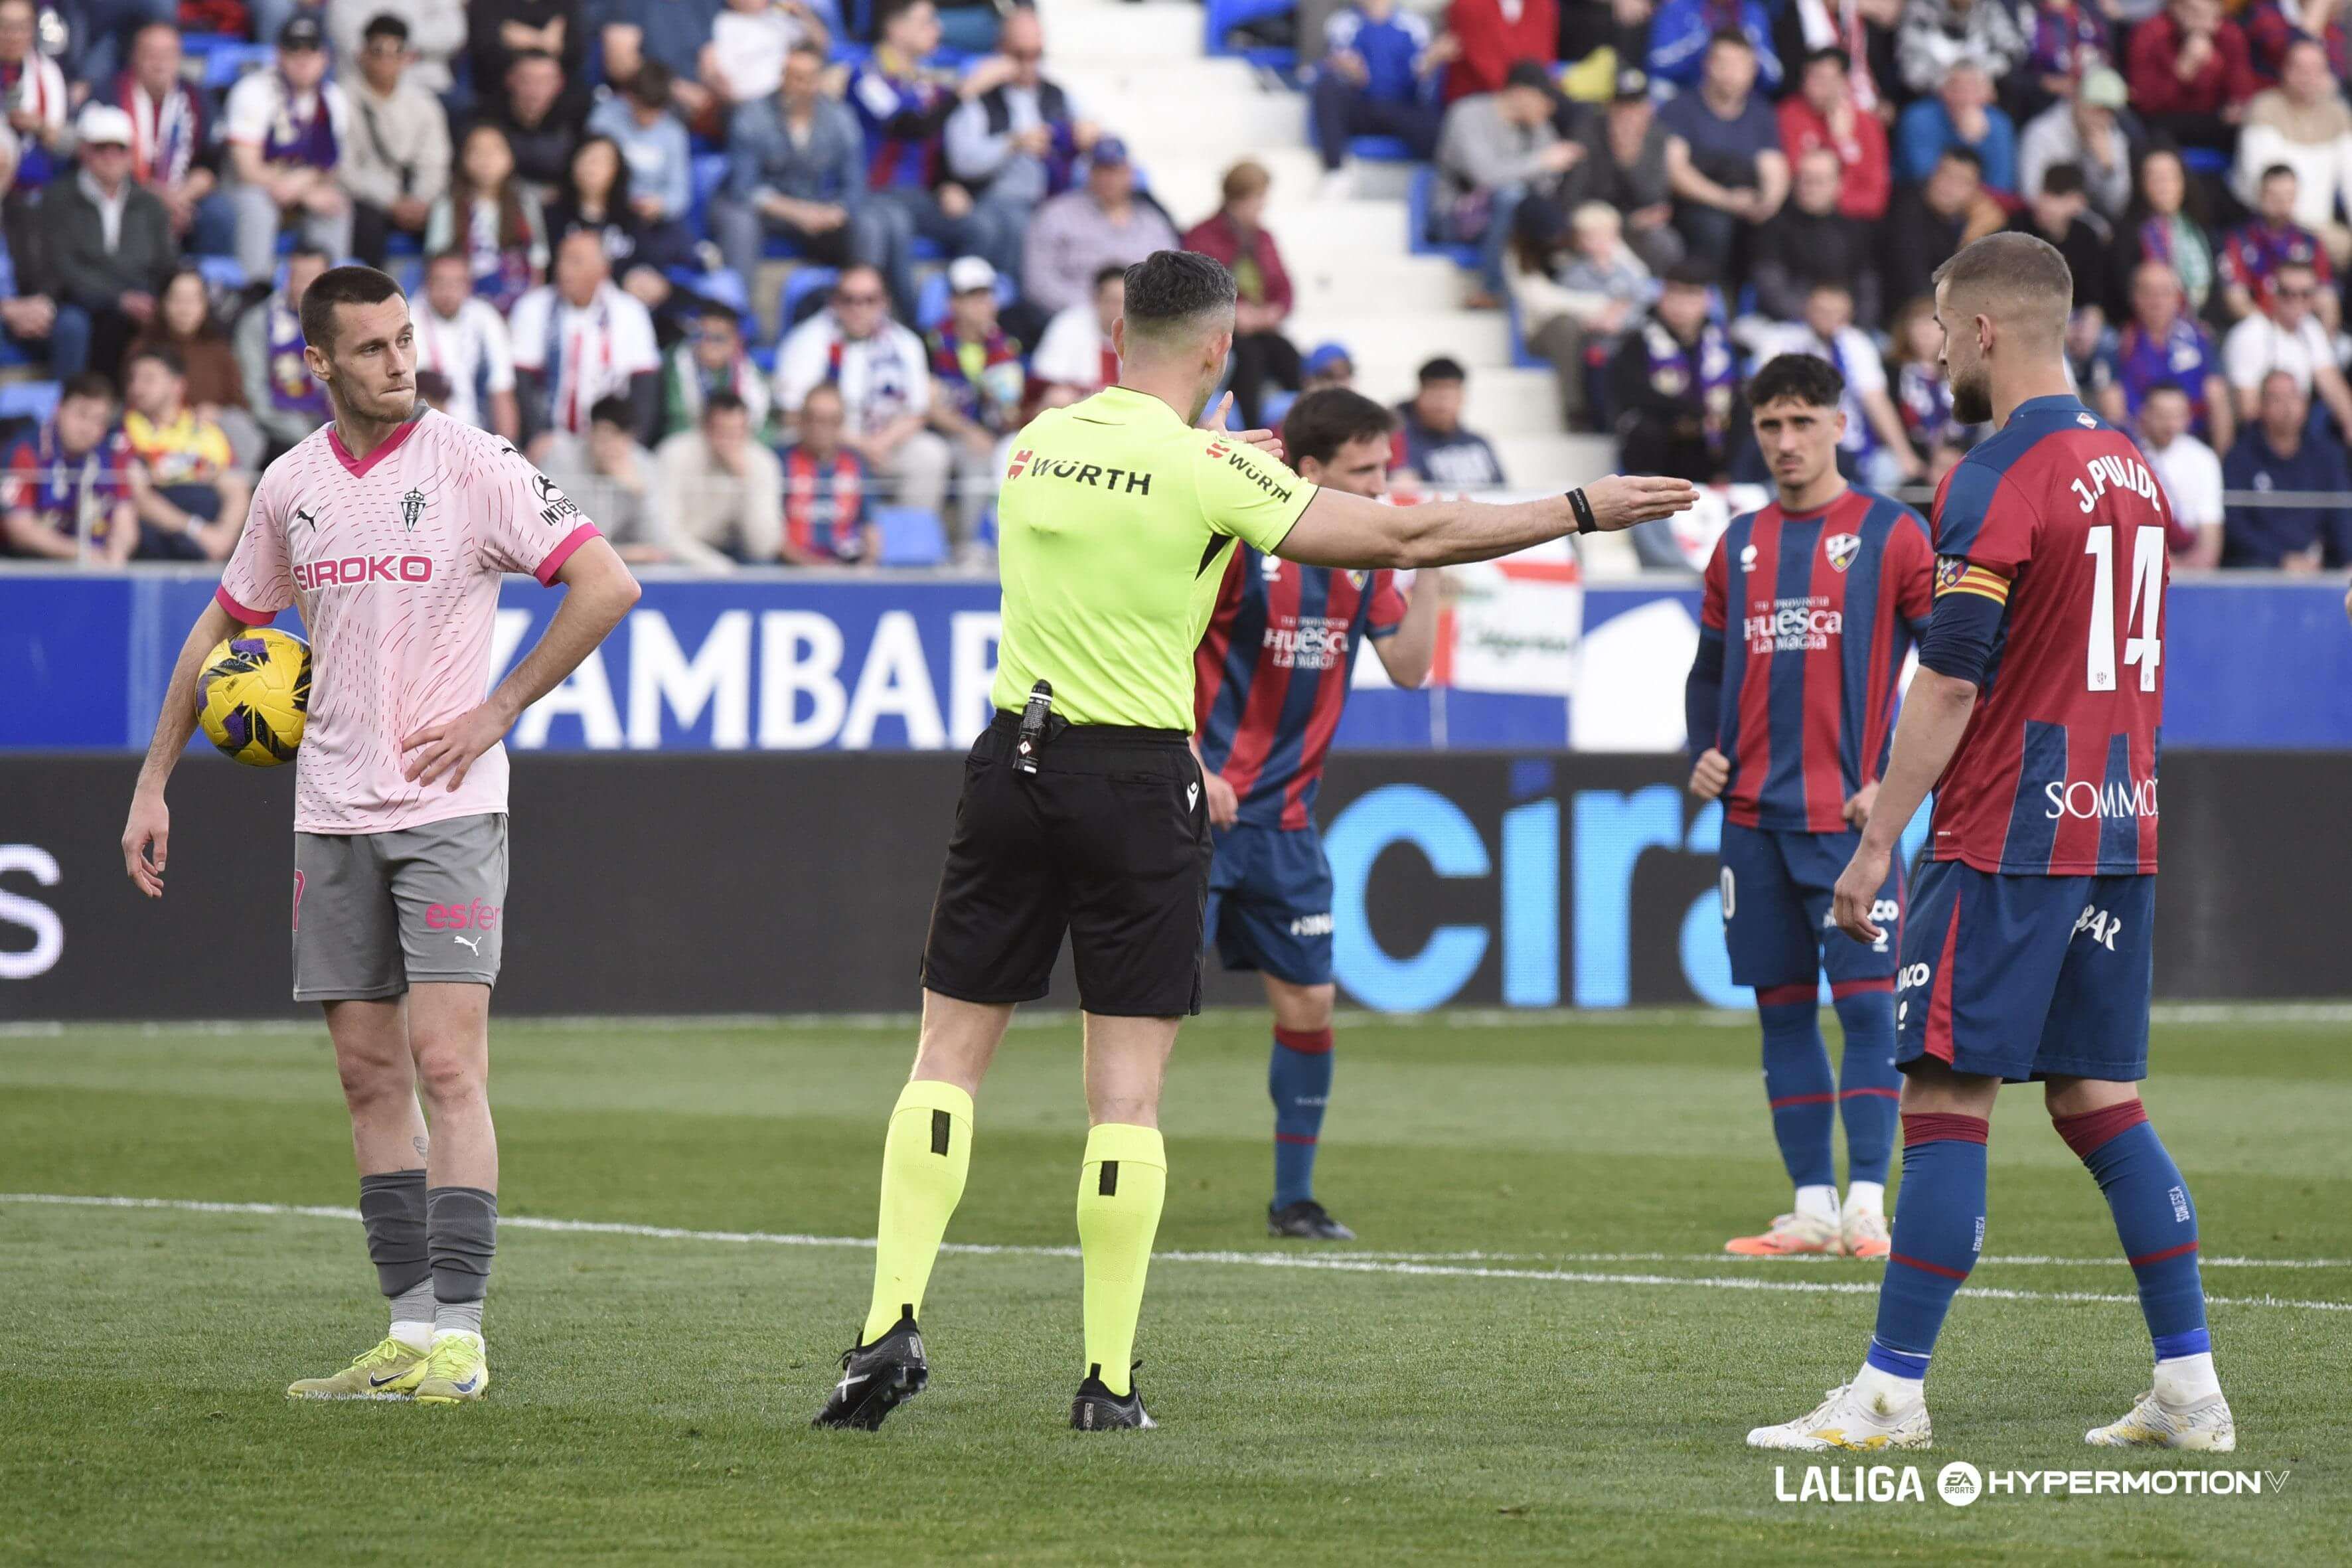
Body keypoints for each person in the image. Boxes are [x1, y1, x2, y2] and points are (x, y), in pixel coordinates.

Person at [807, 246, 1693, 1434]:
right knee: (1124, 1096)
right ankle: (1105, 1381)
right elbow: (1403, 539)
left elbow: (1149, 489)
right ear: (1221, 350)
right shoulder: (1210, 470)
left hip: (1010, 765)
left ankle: (884, 1328)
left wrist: (1218, 455)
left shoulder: (1032, 446)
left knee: (944, 1059)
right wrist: (1576, 507)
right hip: (1134, 776)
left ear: (1118, 334)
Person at [1747, 230, 2233, 1457]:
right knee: (2095, 1098)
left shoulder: (1995, 472)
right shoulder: (2133, 467)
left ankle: (1890, 1392)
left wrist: (1874, 842)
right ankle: (2188, 1384)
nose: (1929, 348)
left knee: (1945, 1093)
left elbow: (1950, 681)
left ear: (1980, 332)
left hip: (2007, 828)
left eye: (1935, 326)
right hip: (2117, 821)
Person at [121, 262, 639, 1409]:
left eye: (405, 339)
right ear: (317, 363)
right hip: (329, 813)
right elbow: (227, 623)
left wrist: (499, 709)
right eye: (371, 348)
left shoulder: (475, 464)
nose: (399, 361)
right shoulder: (291, 485)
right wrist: (156, 780)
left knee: (447, 1063)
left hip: (449, 809)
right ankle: (405, 1330)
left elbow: (606, 585)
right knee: (367, 1079)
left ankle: (462, 1334)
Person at [1686, 351, 1933, 1261]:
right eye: (1767, 426)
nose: (1784, 442)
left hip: (1847, 827)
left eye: (1800, 422)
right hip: (1750, 825)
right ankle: (1810, 1207)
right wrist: (1699, 753)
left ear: (1838, 423)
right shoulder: (1737, 542)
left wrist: (1895, 783)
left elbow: (1952, 674)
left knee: (1868, 1011)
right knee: (1780, 1010)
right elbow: (1707, 671)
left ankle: (1868, 1204)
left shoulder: (1891, 533)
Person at [1194, 388, 1441, 1241]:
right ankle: (1120, 1177)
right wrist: (1191, 760)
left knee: (1310, 1005)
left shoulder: (1362, 561)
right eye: (1363, 473)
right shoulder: (1232, 546)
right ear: (1306, 472)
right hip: (1193, 813)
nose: (1382, 489)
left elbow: (1410, 669)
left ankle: (1293, 1198)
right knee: (1142, 1008)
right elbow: (1148, 647)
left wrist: (1435, 566)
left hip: (1288, 826)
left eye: (1385, 470)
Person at [773, 263, 965, 551]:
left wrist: (879, 444)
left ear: (884, 302)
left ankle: (907, 550)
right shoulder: (807, 340)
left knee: (930, 454)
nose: (858, 308)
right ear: (835, 302)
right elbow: (792, 414)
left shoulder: (905, 343)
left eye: (869, 300)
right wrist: (859, 446)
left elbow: (917, 411)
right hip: (825, 447)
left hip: (885, 445)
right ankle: (810, 547)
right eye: (849, 300)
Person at [850, 0, 1024, 317]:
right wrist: (967, 88)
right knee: (896, 226)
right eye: (926, 22)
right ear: (895, 28)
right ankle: (912, 323)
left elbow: (938, 146)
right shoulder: (867, 76)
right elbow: (911, 127)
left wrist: (947, 185)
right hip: (877, 195)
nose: (938, 29)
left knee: (984, 227)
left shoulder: (924, 82)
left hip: (920, 196)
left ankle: (955, 314)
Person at [713, 44, 878, 288]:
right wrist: (797, 212)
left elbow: (855, 182)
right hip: (767, 210)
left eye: (809, 78)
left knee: (870, 223)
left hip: (818, 206)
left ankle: (863, 304)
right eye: (794, 77)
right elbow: (743, 187)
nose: (801, 87)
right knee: (740, 222)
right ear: (782, 77)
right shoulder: (752, 116)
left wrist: (837, 211)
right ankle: (738, 313)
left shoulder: (840, 117)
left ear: (820, 80)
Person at [944, 6, 1095, 258]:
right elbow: (962, 162)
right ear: (1000, 50)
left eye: (1036, 55)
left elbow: (1087, 139)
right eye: (1019, 55)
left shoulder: (1058, 95)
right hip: (996, 199)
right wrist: (1011, 144)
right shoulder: (980, 96)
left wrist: (1088, 138)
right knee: (1023, 227)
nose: (1029, 64)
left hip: (1055, 197)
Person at [47, 104, 179, 385]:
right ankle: (69, 408)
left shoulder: (150, 204)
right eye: (101, 148)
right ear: (84, 152)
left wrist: (155, 298)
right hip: (81, 301)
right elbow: (62, 267)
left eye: (119, 148)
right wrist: (118, 298)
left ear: (130, 155)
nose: (110, 156)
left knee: (174, 314)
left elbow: (165, 262)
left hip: (141, 298)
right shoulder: (58, 200)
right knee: (73, 325)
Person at [223, 13, 353, 283]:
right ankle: (254, 290)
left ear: (325, 57)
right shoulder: (252, 91)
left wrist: (301, 187)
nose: (303, 59)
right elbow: (247, 170)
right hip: (249, 188)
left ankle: (333, 294)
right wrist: (301, 189)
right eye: (294, 50)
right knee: (257, 207)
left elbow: (331, 167)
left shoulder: (333, 99)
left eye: (312, 50)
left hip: (298, 187)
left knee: (334, 204)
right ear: (279, 55)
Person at [1436, 60, 1576, 304]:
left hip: (1507, 217)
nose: (1549, 108)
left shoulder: (1537, 127)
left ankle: (1565, 279)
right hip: (1456, 212)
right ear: (1520, 93)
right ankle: (1492, 289)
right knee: (1510, 195)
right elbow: (1485, 176)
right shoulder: (1468, 113)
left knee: (1548, 206)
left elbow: (1547, 183)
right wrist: (1541, 162)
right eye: (1543, 98)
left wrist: (1551, 165)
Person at [1757, 282, 1924, 487]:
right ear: (1807, 310)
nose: (1828, 318)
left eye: (1836, 313)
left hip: (1855, 446)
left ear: (1848, 315)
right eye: (1822, 311)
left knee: (1889, 468)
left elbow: (1876, 400)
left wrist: (1904, 454)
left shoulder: (1857, 342)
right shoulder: (1780, 340)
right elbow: (1767, 401)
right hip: (1800, 443)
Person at [509, 228, 663, 447]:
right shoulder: (533, 306)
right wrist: (535, 437)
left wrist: (632, 444)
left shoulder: (630, 311)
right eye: (562, 259)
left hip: (609, 441)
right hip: (551, 440)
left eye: (575, 261)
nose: (563, 269)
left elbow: (645, 389)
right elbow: (522, 386)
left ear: (603, 270)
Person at [1510, 197, 1654, 430]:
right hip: (1560, 330)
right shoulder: (1525, 256)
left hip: (1615, 331)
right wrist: (1604, 307)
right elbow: (1541, 302)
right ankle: (1575, 408)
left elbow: (1642, 284)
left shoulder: (1608, 251)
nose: (1556, 239)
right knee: (1569, 330)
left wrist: (1621, 314)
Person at [1660, 29, 1788, 287]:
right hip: (1698, 201)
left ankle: (1766, 306)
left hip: (1745, 197)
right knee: (1713, 227)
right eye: (1724, 63)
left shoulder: (1761, 113)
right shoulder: (1680, 107)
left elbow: (1774, 167)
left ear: (1753, 70)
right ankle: (1713, 300)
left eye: (1740, 65)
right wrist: (1727, 201)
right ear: (1708, 65)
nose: (1731, 73)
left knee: (1778, 225)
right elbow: (1676, 172)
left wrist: (1768, 203)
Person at [1182, 161, 1301, 431]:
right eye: (1259, 199)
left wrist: (1274, 311)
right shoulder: (1202, 236)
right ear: (1239, 199)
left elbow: (1285, 287)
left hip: (1261, 327)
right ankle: (1251, 430)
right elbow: (1200, 289)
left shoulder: (1264, 238)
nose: (1263, 206)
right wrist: (1235, 316)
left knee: (1288, 354)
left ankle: (1300, 429)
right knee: (1250, 359)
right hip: (1222, 331)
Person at [1610, 261, 1742, 483]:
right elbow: (1632, 393)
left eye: (1690, 295)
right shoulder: (1637, 342)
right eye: (1674, 295)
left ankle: (1733, 483)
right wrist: (1688, 412)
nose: (1681, 305)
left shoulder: (1727, 346)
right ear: (1661, 297)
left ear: (1707, 301)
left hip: (1710, 443)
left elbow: (1735, 393)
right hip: (1663, 440)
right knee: (1646, 430)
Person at [341, 14, 451, 269]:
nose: (387, 60)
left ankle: (441, 294)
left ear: (407, 57)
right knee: (364, 219)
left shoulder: (424, 104)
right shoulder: (341, 101)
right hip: (367, 199)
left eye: (396, 51)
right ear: (362, 54)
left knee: (447, 214)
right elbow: (344, 169)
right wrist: (391, 202)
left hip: (414, 198)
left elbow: (435, 162)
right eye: (378, 51)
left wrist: (422, 200)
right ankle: (370, 298)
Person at [1022, 137, 1178, 318]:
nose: (1108, 179)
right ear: (1089, 173)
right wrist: (1099, 308)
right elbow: (1038, 283)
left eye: (1114, 171)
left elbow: (1172, 279)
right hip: (1074, 316)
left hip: (1142, 320)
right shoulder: (1057, 215)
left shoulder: (1153, 222)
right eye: (1101, 171)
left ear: (1130, 174)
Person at [120, 345, 249, 560]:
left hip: (212, 542)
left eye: (148, 379)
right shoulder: (123, 432)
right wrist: (197, 530)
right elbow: (138, 498)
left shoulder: (206, 432)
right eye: (133, 379)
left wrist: (224, 536)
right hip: (160, 538)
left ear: (177, 385)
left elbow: (236, 489)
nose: (137, 387)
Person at [113, 22, 230, 257]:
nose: (159, 63)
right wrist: (158, 197)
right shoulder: (111, 94)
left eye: (168, 54)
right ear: (135, 57)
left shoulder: (198, 98)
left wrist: (181, 196)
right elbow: (101, 160)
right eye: (151, 55)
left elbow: (212, 163)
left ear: (179, 58)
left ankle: (209, 286)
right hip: (126, 192)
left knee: (219, 213)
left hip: (184, 194)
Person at [127, 266, 264, 469]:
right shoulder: (143, 348)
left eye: (193, 300)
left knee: (240, 427)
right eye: (177, 300)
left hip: (209, 442)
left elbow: (241, 405)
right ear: (163, 303)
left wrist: (218, 413)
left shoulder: (219, 350)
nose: (185, 308)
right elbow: (132, 402)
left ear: (204, 305)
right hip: (155, 440)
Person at [2233, 39, 2352, 270]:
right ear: (2285, 70)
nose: (2308, 77)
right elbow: (2265, 188)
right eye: (2300, 69)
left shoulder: (2338, 115)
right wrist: (2313, 234)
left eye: (2316, 70)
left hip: (2324, 227)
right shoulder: (2265, 109)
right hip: (2269, 225)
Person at [1308, 0, 1451, 186]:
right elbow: (1340, 63)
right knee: (1327, 86)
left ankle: (1445, 182)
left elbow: (1420, 79)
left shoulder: (1415, 24)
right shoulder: (1342, 22)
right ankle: (1335, 170)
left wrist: (1430, 63)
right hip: (1360, 107)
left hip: (1401, 107)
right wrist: (1348, 71)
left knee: (1439, 122)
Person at [0, 373, 138, 563]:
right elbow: (20, 530)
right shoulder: (26, 451)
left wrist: (118, 551)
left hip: (95, 561)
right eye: (81, 415)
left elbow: (125, 521)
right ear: (59, 409)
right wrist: (83, 554)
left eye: (99, 420)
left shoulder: (112, 455)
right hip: (28, 563)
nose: (88, 428)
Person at [2223, 369, 2352, 568]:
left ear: (2305, 403)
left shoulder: (2327, 456)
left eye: (2293, 397)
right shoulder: (2239, 458)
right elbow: (2236, 526)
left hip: (2319, 566)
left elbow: (2341, 516)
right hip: (2258, 566)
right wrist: (2280, 559)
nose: (2287, 407)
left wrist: (2347, 560)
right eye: (2277, 399)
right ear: (2261, 406)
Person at [425, 122, 548, 313]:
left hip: (519, 299)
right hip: (465, 303)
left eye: (495, 150)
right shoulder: (447, 205)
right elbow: (438, 260)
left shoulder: (524, 203)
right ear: (464, 159)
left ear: (510, 159)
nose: (486, 159)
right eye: (477, 151)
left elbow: (537, 261)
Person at [1751, 146, 1879, 329]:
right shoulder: (1774, 226)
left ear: (1839, 184)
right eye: (1804, 179)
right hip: (1788, 325)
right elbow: (1771, 286)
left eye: (1818, 181)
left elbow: (1867, 287)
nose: (1808, 188)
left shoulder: (1854, 229)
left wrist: (1855, 322)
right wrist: (1817, 318)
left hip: (1846, 325)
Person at [1569, 66, 1681, 274]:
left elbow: (1655, 200)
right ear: (1609, 107)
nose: (1628, 115)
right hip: (1596, 221)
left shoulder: (1657, 137)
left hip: (1639, 227)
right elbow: (1574, 195)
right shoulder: (1587, 132)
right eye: (1622, 107)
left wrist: (1629, 162)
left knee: (1666, 243)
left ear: (1648, 109)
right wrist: (1624, 221)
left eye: (1636, 107)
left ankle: (1655, 297)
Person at [538, 394, 675, 563]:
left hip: (619, 569)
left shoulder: (644, 467)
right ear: (590, 433)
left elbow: (659, 546)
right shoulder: (562, 458)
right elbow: (547, 536)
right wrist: (624, 554)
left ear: (631, 438)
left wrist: (640, 494)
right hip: (563, 564)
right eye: (604, 437)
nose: (610, 447)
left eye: (618, 437)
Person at [655, 389, 783, 564]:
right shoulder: (675, 455)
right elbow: (665, 533)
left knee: (763, 568)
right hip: (685, 553)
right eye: (722, 432)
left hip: (737, 551)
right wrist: (716, 566)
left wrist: (746, 480)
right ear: (705, 428)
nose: (729, 441)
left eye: (736, 432)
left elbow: (763, 546)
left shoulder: (762, 462)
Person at [2221, 259, 2352, 430]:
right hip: (2262, 433)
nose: (2296, 301)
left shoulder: (2311, 328)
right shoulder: (2250, 334)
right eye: (2287, 293)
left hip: (2299, 426)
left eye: (2306, 294)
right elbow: (2248, 411)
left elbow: (2332, 385)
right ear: (2273, 293)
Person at [2114, 260, 2232, 448]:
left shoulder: (2197, 337)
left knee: (2217, 391)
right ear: (2135, 298)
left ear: (2177, 298)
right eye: (2148, 293)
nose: (2157, 301)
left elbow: (2215, 389)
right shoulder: (2123, 343)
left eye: (2165, 293)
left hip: (2194, 439)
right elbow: (2115, 402)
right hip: (2141, 443)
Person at [238, 244, 337, 459]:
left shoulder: (346, 322)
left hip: (333, 423)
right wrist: (304, 433)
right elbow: (254, 393)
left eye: (313, 278)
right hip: (278, 429)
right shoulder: (257, 322)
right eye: (296, 277)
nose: (303, 286)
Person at [410, 249, 520, 440]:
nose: (448, 292)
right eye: (441, 282)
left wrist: (508, 450)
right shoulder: (408, 318)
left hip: (477, 434)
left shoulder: (486, 318)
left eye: (456, 283)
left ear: (469, 286)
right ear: (427, 284)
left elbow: (501, 390)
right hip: (422, 434)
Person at [584, 60, 692, 252]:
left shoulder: (674, 134)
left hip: (650, 221)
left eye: (655, 112)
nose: (647, 118)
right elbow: (588, 166)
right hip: (608, 211)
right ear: (630, 97)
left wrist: (661, 205)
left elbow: (679, 192)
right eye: (642, 108)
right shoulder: (605, 119)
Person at [925, 254, 1024, 460]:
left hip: (993, 430)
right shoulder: (932, 343)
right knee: (974, 455)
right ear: (953, 303)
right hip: (947, 432)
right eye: (973, 296)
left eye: (987, 295)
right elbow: (929, 404)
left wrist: (1007, 407)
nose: (983, 304)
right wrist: (969, 431)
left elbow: (1012, 410)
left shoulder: (1007, 345)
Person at [2126, 0, 2256, 155]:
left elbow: (2242, 95)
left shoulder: (2230, 34)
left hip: (2213, 118)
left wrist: (2215, 63)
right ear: (2174, 6)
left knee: (2251, 129)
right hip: (2164, 118)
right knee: (2153, 131)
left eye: (2206, 9)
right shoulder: (2150, 33)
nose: (2197, 17)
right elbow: (2146, 102)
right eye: (2190, 9)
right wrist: (2183, 70)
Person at [1776, 46, 1890, 223]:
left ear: (1844, 82)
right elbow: (1795, 178)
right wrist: (1836, 144)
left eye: (1825, 78)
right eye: (1811, 76)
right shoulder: (1788, 114)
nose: (1815, 85)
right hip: (1798, 217)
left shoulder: (1867, 124)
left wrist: (1844, 141)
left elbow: (1876, 196)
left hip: (1850, 220)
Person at [1883, 147, 2000, 312]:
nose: (1949, 187)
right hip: (1906, 315)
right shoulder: (1906, 210)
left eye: (1962, 182)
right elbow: (1917, 286)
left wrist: (1977, 232)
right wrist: (1972, 238)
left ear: (1976, 191)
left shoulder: (1973, 219)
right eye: (1945, 174)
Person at [2110, 146, 2219, 319]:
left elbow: (2215, 289)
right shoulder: (2126, 234)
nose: (2164, 186)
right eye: (2155, 178)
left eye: (2171, 177)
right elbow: (2123, 293)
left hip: (2201, 324)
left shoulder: (2199, 227)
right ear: (2141, 184)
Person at [2221, 164, 2335, 327]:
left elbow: (2327, 302)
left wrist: (2320, 341)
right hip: (2258, 330)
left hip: (2303, 330)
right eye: (2274, 196)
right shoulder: (2239, 240)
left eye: (2288, 196)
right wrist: (2275, 333)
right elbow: (2236, 300)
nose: (2281, 203)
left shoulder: (2311, 243)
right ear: (2261, 195)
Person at [780, 381, 878, 566]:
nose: (820, 428)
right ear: (801, 420)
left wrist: (867, 565)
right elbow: (771, 533)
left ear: (841, 423)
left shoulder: (857, 464)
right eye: (813, 418)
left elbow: (870, 527)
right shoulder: (781, 462)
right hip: (792, 571)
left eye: (830, 420)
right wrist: (815, 566)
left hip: (846, 569)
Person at [2017, 66, 2134, 220]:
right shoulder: (2042, 133)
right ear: (2078, 100)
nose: (2104, 118)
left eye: (2110, 111)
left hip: (2091, 224)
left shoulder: (2113, 139)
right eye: (2098, 108)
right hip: (2048, 223)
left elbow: (2117, 206)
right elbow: (2031, 196)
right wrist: (2072, 206)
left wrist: (2108, 168)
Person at [1893, 57, 2015, 196]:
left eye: (1974, 89)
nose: (1965, 97)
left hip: (1979, 202)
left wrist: (1978, 139)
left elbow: (2001, 183)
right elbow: (1923, 174)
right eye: (1957, 89)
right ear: (1942, 90)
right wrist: (1967, 138)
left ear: (1989, 94)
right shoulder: (1918, 117)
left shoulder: (2000, 124)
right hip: (1919, 196)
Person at [2003, 161, 2112, 313]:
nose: (2046, 203)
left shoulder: (2087, 236)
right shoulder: (2016, 228)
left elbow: (2094, 294)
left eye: (2058, 196)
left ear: (2079, 203)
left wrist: (2093, 316)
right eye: (2045, 192)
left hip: (2072, 315)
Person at [2137, 381, 2224, 568]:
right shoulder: (2129, 455)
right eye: (2161, 416)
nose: (2169, 424)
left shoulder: (2204, 458)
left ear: (2188, 417)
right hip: (2141, 562)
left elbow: (2211, 535)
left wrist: (2189, 566)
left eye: (2176, 416)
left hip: (2192, 566)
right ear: (2145, 414)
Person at [1393, 355, 1507, 488]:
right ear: (1419, 395)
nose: (1442, 404)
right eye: (1435, 392)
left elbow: (1504, 492)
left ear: (1461, 397)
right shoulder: (1401, 441)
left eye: (1448, 394)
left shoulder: (1478, 443)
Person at [662, 301, 769, 438]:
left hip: (739, 442)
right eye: (701, 335)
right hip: (691, 440)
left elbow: (765, 427)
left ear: (736, 341)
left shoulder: (751, 372)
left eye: (718, 338)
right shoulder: (676, 363)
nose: (708, 344)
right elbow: (676, 421)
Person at [700, 0, 828, 107]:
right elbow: (718, 74)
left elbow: (821, 43)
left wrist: (800, 10)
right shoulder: (724, 23)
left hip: (792, 97)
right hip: (750, 104)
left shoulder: (778, 17)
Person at [327, 0, 467, 98]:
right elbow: (353, 44)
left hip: (430, 87)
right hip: (365, 93)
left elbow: (454, 33)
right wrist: (402, 48)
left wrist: (394, 42)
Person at [492, 49, 585, 193]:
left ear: (559, 84)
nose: (534, 90)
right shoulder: (489, 119)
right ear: (510, 79)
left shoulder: (577, 119)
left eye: (544, 81)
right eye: (526, 80)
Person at [1895, 0, 2025, 96]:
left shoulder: (1988, 7)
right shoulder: (1921, 8)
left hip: (1982, 90)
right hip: (1935, 96)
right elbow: (1912, 73)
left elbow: (2013, 50)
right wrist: (1952, 82)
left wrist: (1978, 76)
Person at [1031, 263, 1123, 399]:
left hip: (1125, 407)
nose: (1119, 308)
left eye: (1125, 302)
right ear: (1096, 300)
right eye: (1114, 301)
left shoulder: (1141, 329)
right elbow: (1047, 376)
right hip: (1078, 404)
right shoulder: (1069, 323)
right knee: (1059, 397)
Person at [1650, 0, 1782, 92]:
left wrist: (1755, 47)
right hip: (1685, 92)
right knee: (1660, 89)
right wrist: (1697, 41)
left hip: (1737, 99)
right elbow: (1656, 63)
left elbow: (1774, 77)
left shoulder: (1753, 12)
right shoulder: (1679, 7)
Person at [1445, 0, 1557, 102]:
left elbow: (1544, 58)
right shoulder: (1468, 5)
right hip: (1479, 99)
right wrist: (1525, 95)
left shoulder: (1543, 4)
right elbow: (1485, 67)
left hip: (1531, 98)